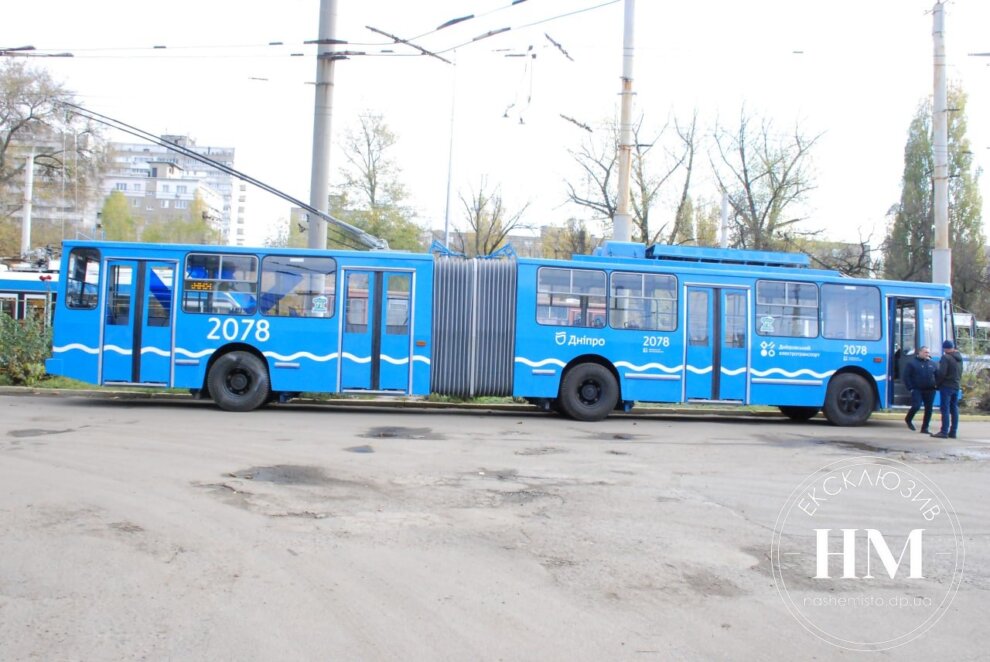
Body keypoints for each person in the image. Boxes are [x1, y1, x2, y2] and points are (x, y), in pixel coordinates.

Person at [931, 340, 963, 439]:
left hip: (946, 386)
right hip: (956, 385)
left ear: (945, 349)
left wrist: (937, 384)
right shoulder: (959, 358)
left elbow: (942, 373)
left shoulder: (946, 357)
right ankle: (953, 432)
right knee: (954, 409)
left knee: (945, 409)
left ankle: (944, 431)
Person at [903, 346, 937, 433]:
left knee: (929, 409)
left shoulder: (932, 363)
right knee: (916, 406)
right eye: (925, 352)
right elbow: (906, 377)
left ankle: (925, 428)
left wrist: (937, 385)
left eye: (928, 352)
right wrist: (910, 388)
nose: (927, 354)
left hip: (930, 390)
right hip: (917, 389)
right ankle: (908, 419)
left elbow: (937, 375)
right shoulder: (912, 363)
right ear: (920, 352)